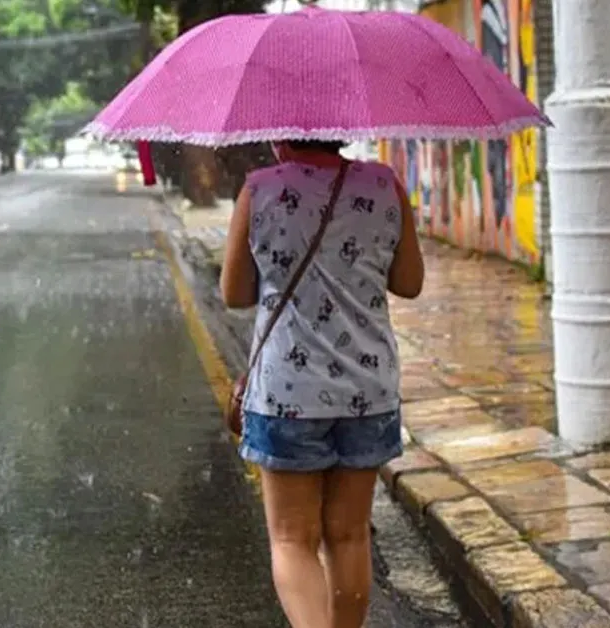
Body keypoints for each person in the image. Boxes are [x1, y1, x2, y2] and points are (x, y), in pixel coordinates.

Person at [219, 139, 425, 628]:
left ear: (281, 133)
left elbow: (234, 293)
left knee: (293, 539)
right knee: (350, 536)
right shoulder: (384, 184)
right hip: (367, 391)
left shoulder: (260, 189)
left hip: (287, 395)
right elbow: (410, 281)